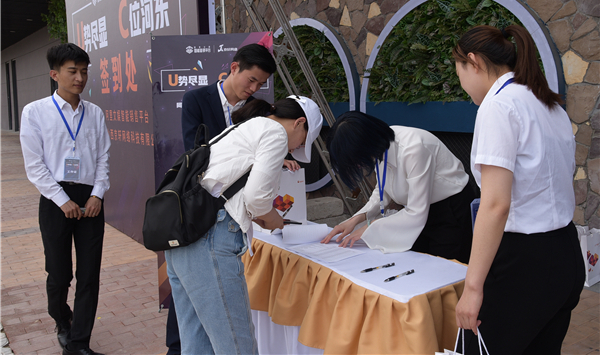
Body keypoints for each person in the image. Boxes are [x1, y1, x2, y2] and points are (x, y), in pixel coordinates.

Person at [452, 25, 584, 354]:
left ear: (473, 62)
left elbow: (496, 204)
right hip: (565, 252)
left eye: (459, 72)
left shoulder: (499, 106)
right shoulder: (548, 103)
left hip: (523, 262)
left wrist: (472, 287)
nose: (462, 84)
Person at [165, 95, 323, 354]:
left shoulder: (243, 127)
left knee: (196, 342)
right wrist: (275, 220)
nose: (295, 149)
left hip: (184, 236)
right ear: (299, 123)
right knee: (237, 345)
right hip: (211, 239)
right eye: (303, 142)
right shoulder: (275, 133)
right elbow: (257, 199)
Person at [20, 43, 110, 355]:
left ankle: (78, 343)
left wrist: (97, 194)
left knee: (89, 275)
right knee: (59, 274)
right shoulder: (35, 112)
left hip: (90, 200)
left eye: (84, 71)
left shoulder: (94, 113)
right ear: (54, 74)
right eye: (72, 71)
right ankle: (62, 319)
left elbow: (103, 158)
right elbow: (35, 165)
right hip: (55, 199)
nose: (80, 78)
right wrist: (62, 200)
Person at [321, 111, 474, 263]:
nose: (357, 165)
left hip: (450, 209)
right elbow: (382, 190)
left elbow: (416, 211)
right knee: (417, 263)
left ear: (364, 144)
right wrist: (356, 219)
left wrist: (369, 227)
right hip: (417, 211)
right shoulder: (377, 146)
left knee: (444, 266)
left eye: (355, 160)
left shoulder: (413, 149)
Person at [181, 43, 276, 149]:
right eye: (251, 80)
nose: (254, 88)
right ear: (234, 68)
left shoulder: (258, 109)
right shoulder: (196, 99)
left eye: (260, 84)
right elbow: (193, 150)